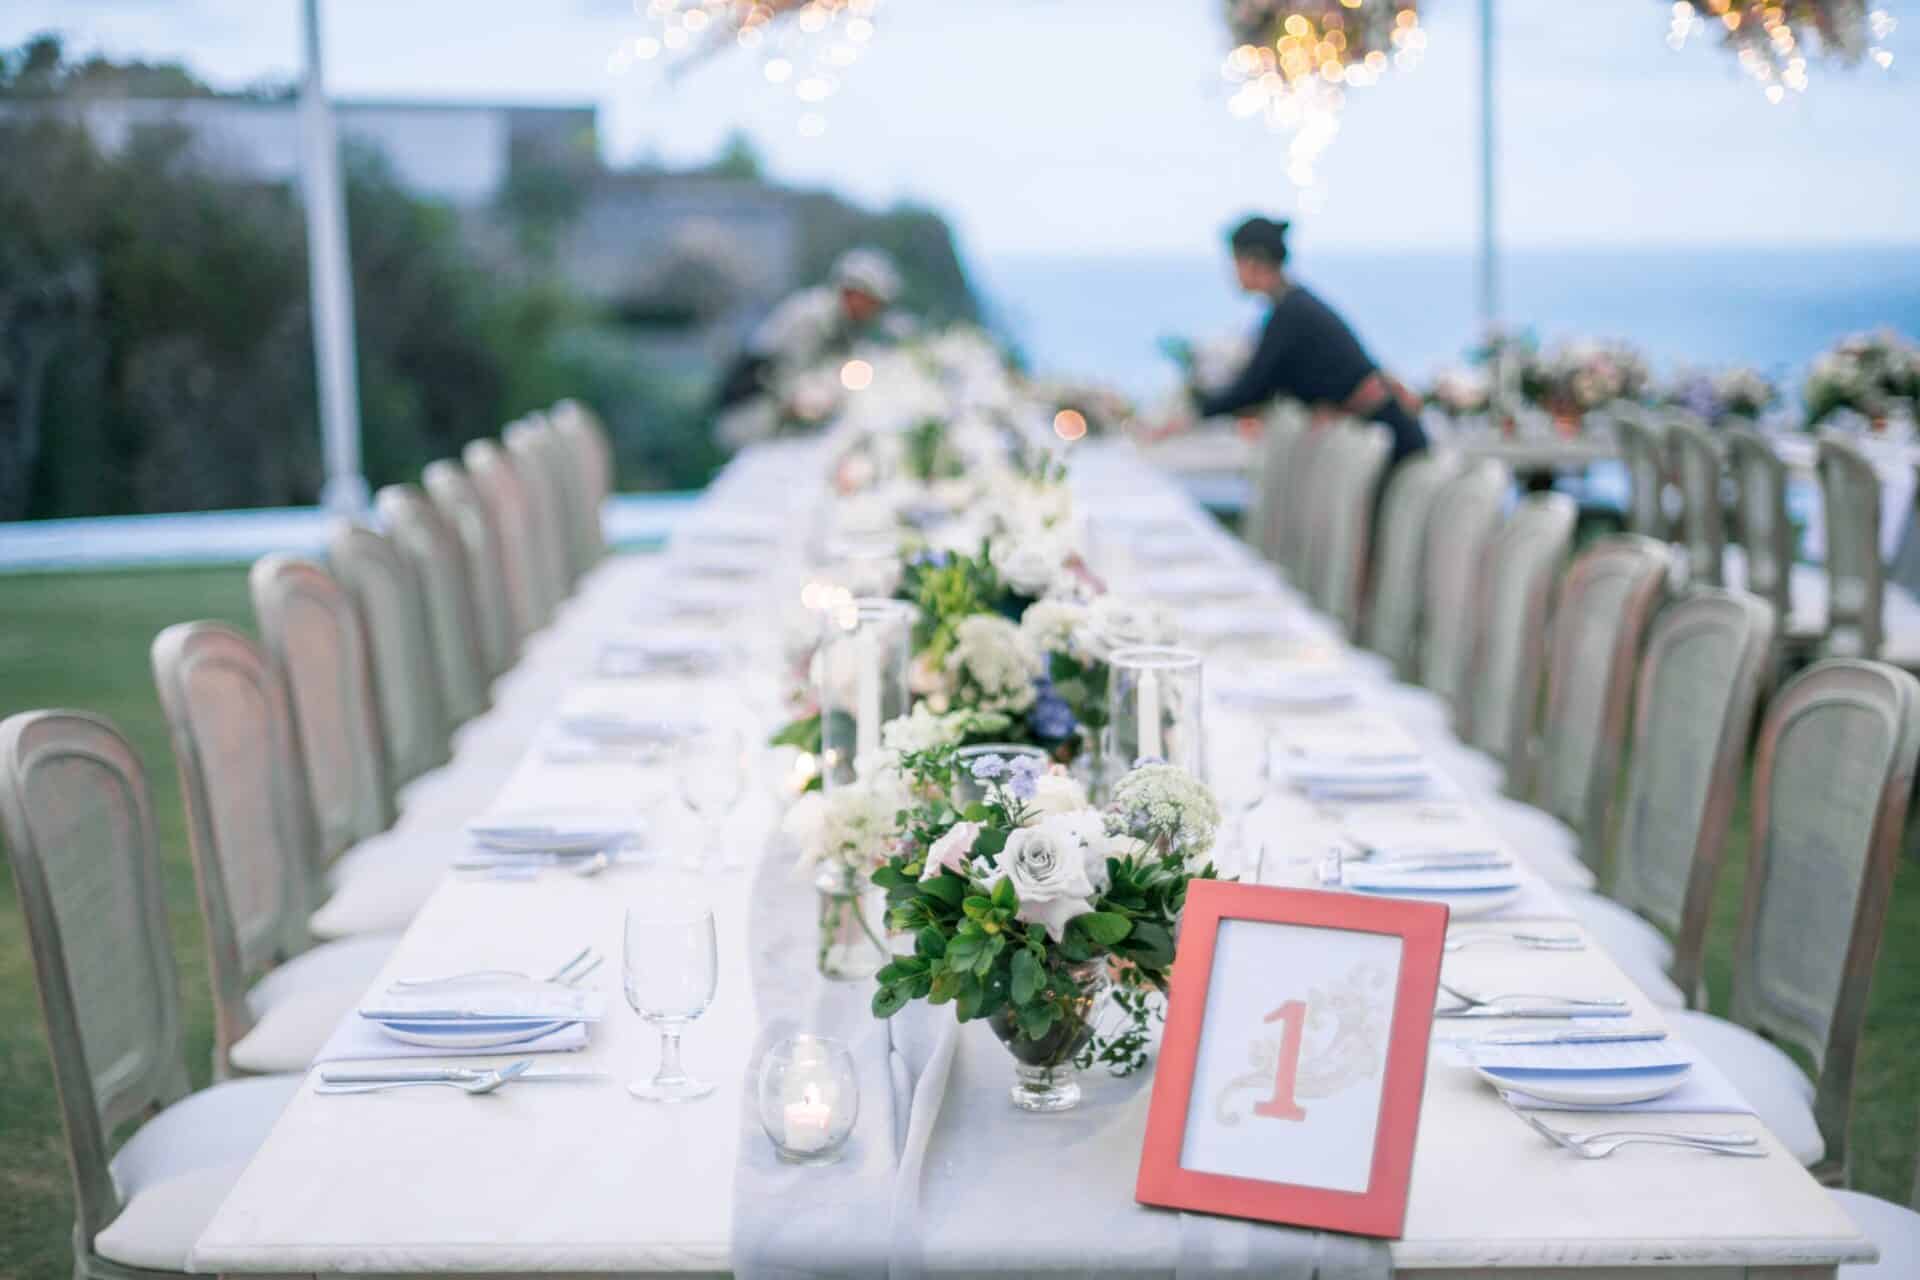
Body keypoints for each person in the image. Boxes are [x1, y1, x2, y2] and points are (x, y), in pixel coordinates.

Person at [1184, 216, 1427, 467]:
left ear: (1254, 261)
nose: (1233, 273)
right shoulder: (1294, 306)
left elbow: (1253, 388)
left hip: (1387, 437)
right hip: (1382, 430)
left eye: (1235, 262)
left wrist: (1194, 413)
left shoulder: (1290, 314)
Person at [713, 248, 908, 448]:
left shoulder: (843, 324)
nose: (874, 311)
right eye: (872, 302)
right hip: (749, 417)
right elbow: (791, 385)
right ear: (854, 293)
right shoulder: (811, 318)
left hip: (780, 421)